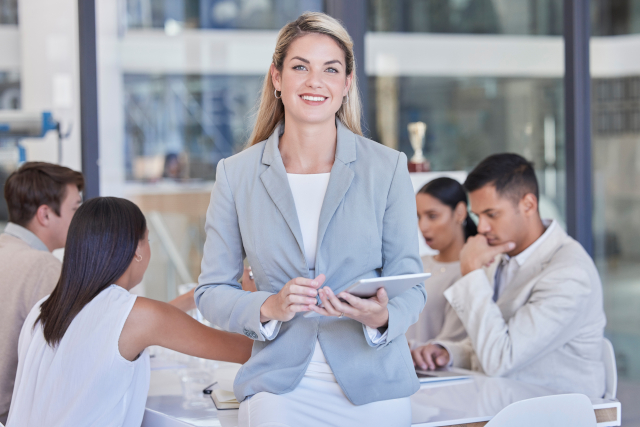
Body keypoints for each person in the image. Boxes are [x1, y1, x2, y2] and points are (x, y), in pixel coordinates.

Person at [195, 12, 425, 427]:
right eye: (300, 67)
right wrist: (269, 305)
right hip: (279, 385)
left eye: (330, 70)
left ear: (346, 84)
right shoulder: (236, 173)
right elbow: (212, 290)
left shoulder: (387, 168)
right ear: (277, 78)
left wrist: (382, 317)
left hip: (375, 383)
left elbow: (410, 283)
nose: (314, 81)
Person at [7, 197, 253, 426]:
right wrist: (253, 297)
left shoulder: (42, 310)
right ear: (137, 249)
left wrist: (193, 298)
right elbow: (247, 350)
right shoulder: (135, 315)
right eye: (148, 239)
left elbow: (125, 326)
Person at [412, 154, 606, 399]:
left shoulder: (569, 273)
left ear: (528, 205)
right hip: (503, 403)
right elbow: (487, 342)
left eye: (492, 214)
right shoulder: (501, 255)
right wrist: (448, 353)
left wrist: (471, 273)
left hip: (556, 413)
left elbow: (500, 359)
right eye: (478, 216)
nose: (481, 227)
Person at [0, 162, 83, 424]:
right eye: (76, 208)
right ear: (45, 215)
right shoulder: (43, 266)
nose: (81, 219)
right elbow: (76, 353)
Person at [406, 177, 477, 347]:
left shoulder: (472, 272)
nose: (423, 226)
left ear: (460, 212)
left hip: (442, 369)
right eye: (418, 217)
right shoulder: (416, 265)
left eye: (432, 216)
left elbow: (452, 344)